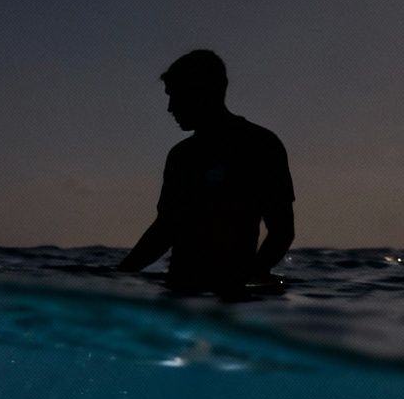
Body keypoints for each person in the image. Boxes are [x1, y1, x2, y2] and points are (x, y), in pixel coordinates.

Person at [117, 49, 294, 292]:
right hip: (184, 288)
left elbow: (282, 231)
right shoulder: (180, 156)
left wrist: (248, 278)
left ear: (202, 92)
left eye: (176, 96)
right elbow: (165, 229)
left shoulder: (261, 146)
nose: (170, 108)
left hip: (227, 297)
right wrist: (120, 275)